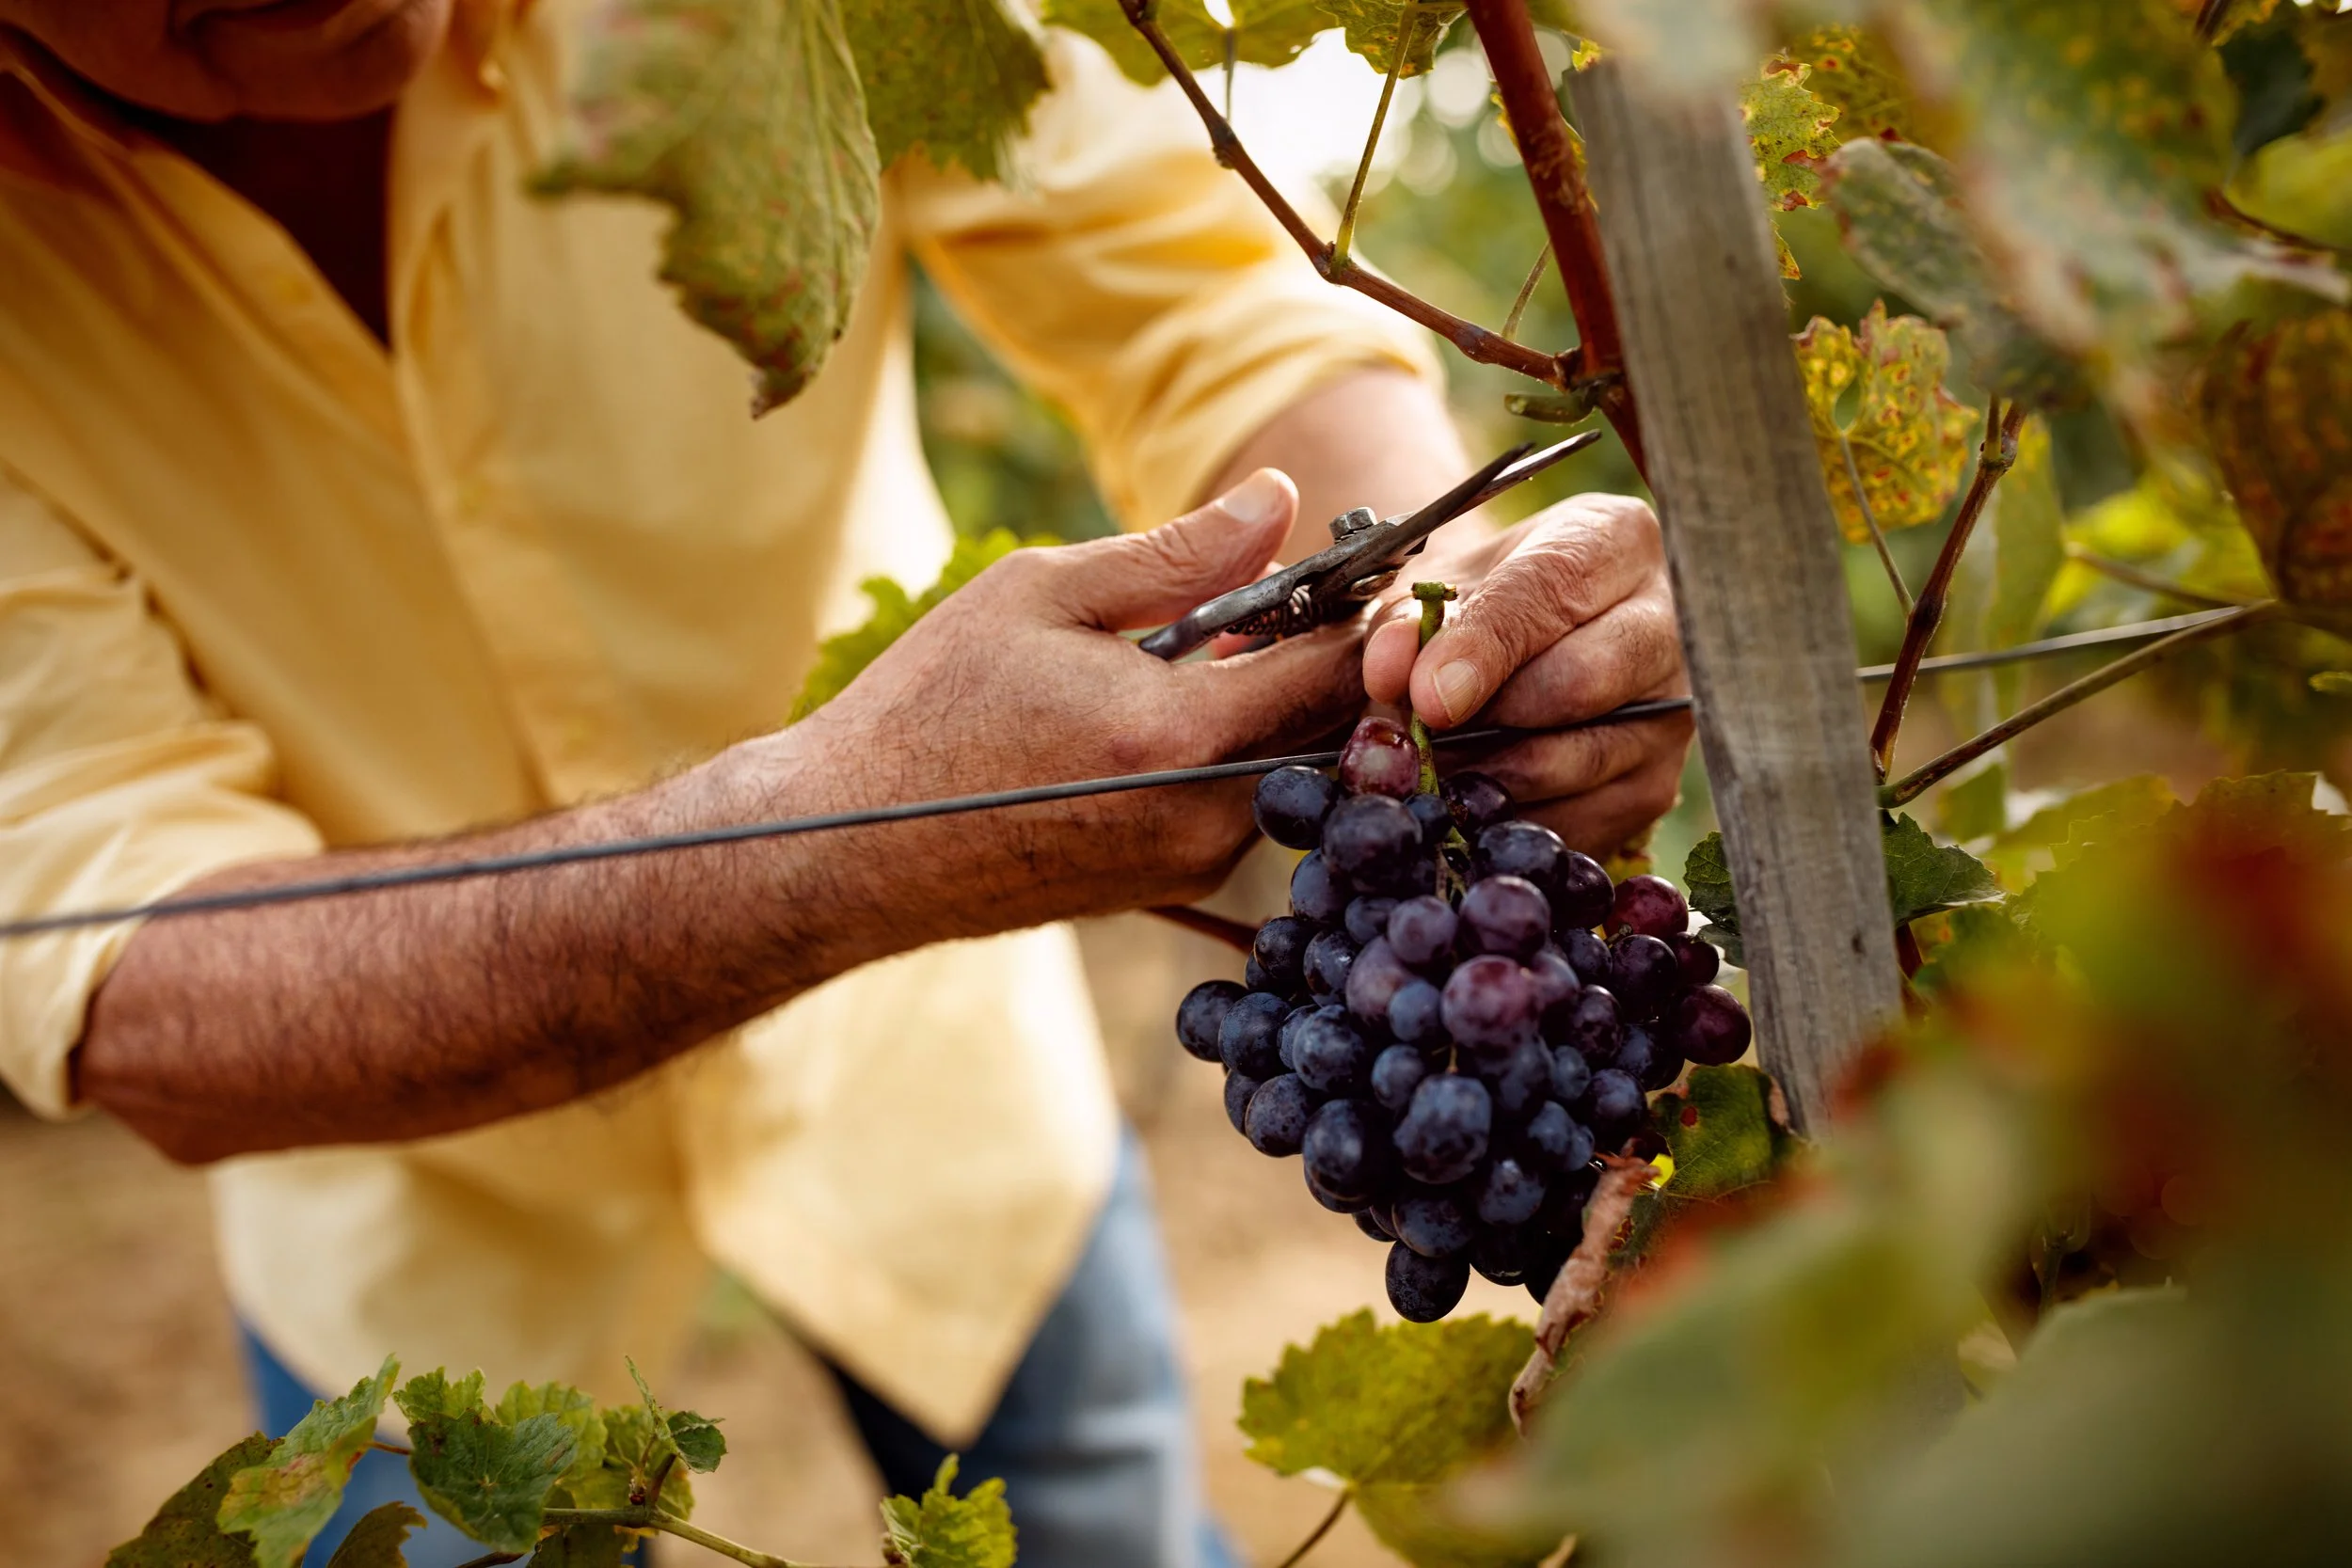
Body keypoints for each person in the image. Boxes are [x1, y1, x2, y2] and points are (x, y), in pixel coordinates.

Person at [0, 0, 1692, 1563]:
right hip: (415, 1223)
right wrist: (857, 829)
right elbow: (126, 968)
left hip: (937, 1121)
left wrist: (1445, 602)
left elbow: (1216, 317)